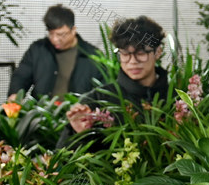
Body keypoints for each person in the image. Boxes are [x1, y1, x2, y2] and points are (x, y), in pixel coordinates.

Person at [58, 16, 170, 149]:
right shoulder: (97, 100)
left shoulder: (176, 99)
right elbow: (62, 155)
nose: (133, 61)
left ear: (157, 52)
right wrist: (80, 133)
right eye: (125, 53)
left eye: (141, 53)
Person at [8, 4, 103, 98]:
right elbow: (21, 77)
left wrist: (88, 106)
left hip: (78, 108)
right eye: (51, 34)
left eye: (60, 35)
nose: (54, 39)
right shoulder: (38, 49)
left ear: (73, 30)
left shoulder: (93, 55)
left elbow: (103, 91)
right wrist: (15, 95)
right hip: (42, 107)